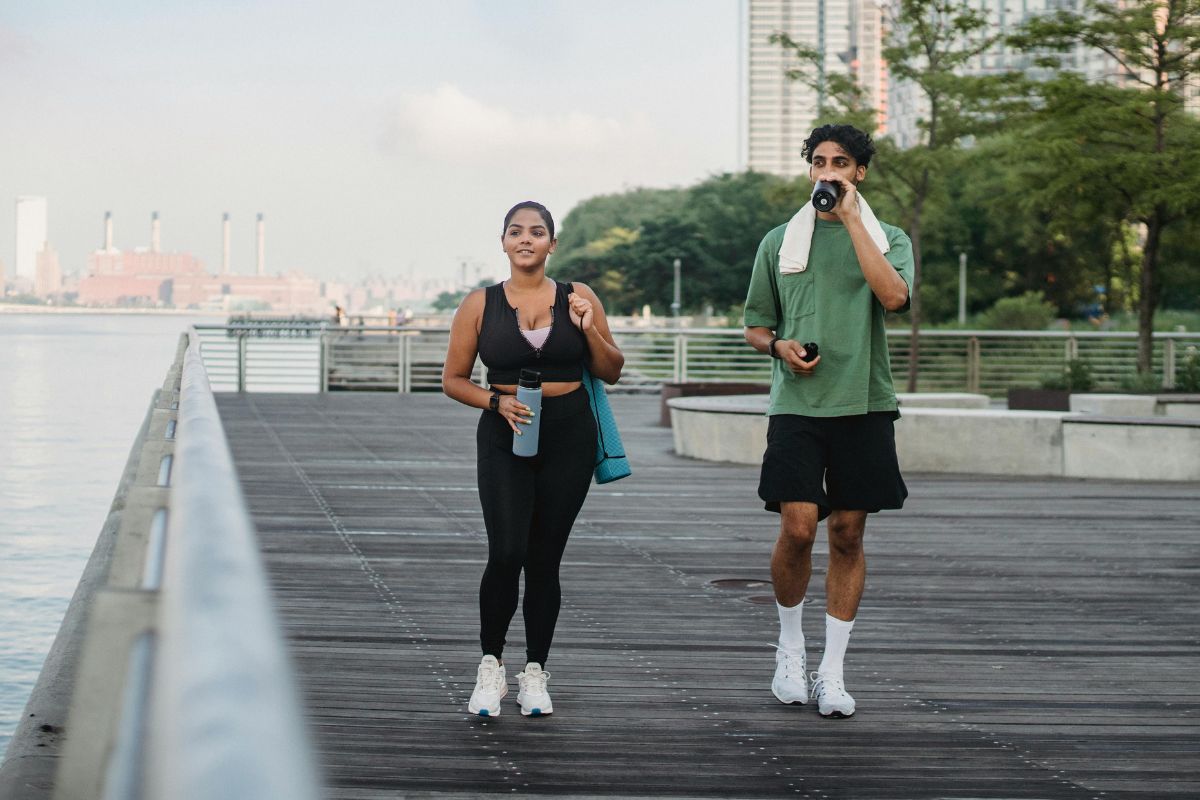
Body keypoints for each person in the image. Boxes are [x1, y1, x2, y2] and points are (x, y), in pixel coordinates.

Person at [742, 124, 913, 718]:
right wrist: (778, 348)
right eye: (819, 162)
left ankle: (831, 670)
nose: (828, 172)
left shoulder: (888, 237)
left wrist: (852, 224)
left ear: (858, 173)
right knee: (798, 528)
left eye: (841, 163)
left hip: (864, 403)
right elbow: (757, 325)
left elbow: (894, 298)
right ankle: (790, 647)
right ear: (809, 169)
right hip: (796, 405)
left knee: (847, 534)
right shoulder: (777, 242)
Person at [442, 201, 624, 717]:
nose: (527, 239)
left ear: (552, 244)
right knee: (506, 552)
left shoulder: (579, 297)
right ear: (502, 242)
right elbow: (452, 379)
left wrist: (588, 328)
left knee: (545, 559)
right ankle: (491, 667)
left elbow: (612, 370)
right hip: (505, 433)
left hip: (570, 432)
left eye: (538, 232)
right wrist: (496, 402)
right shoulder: (480, 304)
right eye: (516, 232)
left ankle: (536, 674)